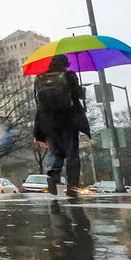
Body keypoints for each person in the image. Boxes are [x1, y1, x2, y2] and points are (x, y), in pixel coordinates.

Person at [33, 54, 87, 198]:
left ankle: (53, 175)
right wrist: (82, 91)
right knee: (71, 154)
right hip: (68, 120)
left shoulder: (39, 78)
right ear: (65, 64)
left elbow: (37, 102)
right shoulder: (69, 75)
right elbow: (78, 94)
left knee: (56, 151)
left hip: (48, 122)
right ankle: (72, 187)